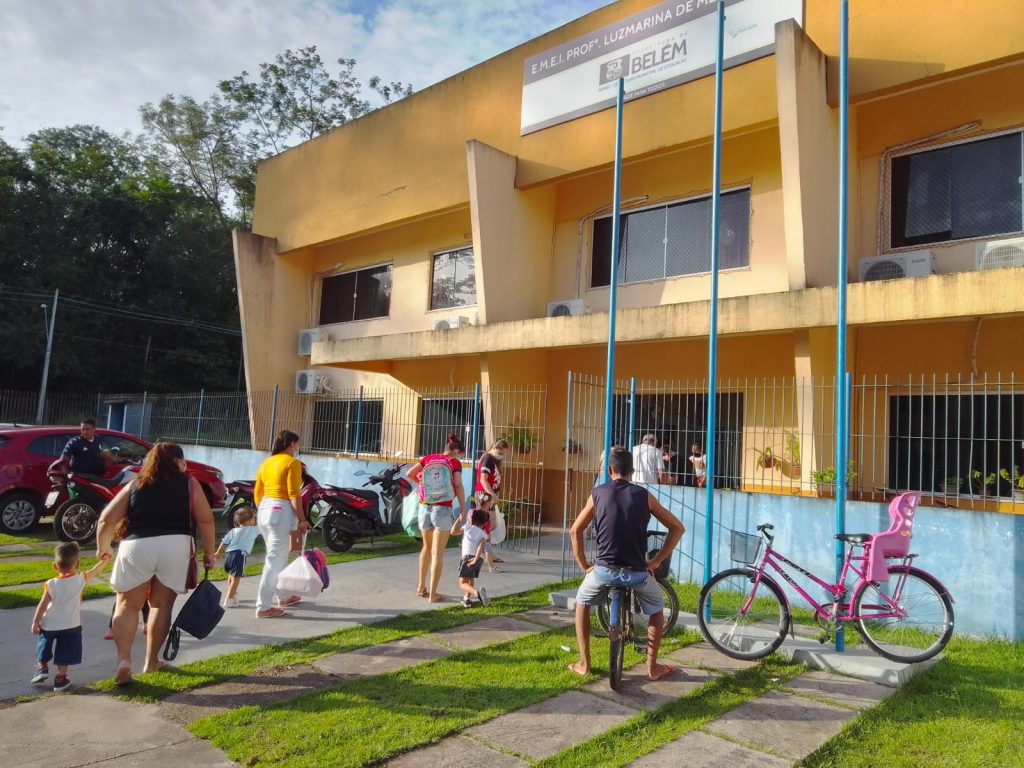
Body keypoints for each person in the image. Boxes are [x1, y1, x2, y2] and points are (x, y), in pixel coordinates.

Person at [96, 442, 216, 685]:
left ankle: (124, 660)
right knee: (161, 606)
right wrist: (210, 553)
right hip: (176, 545)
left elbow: (107, 519)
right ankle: (151, 662)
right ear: (178, 462)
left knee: (128, 605)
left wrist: (103, 547)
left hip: (137, 545)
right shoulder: (190, 484)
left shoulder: (135, 484)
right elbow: (206, 520)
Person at [568, 448, 685, 682]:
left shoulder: (598, 494)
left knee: (582, 603)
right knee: (657, 611)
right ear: (632, 472)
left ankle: (584, 664)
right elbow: (677, 528)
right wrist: (657, 560)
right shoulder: (644, 496)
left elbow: (575, 530)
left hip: (603, 571)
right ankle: (652, 668)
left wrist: (584, 566)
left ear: (609, 471)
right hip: (638, 573)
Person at [31, 542, 110, 691]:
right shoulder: (81, 579)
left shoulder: (51, 584)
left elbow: (42, 604)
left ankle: (42, 667)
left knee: (44, 644)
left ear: (55, 566)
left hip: (49, 624)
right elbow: (96, 570)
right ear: (78, 564)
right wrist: (105, 560)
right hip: (71, 625)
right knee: (65, 650)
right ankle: (60, 679)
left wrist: (36, 621)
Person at [253, 430, 311, 618]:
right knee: (275, 560)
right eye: (297, 444)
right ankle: (263, 607)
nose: (297, 448)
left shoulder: (266, 462)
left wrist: (265, 510)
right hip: (282, 510)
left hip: (265, 509)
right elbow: (294, 494)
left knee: (278, 556)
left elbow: (257, 493)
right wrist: (302, 519)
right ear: (291, 444)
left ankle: (283, 596)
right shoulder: (292, 463)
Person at [407, 432, 467, 603]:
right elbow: (458, 485)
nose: (460, 456)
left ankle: (420, 587)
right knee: (437, 552)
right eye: (460, 452)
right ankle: (433, 594)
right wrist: (463, 508)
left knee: (426, 548)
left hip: (424, 507)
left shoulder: (428, 458)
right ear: (455, 450)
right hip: (442, 508)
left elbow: (409, 474)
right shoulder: (454, 463)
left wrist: (422, 485)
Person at [214, 506, 260, 608]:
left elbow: (224, 542)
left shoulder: (233, 531)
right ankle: (229, 598)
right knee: (236, 578)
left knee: (231, 576)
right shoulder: (253, 530)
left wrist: (217, 553)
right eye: (253, 518)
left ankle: (232, 594)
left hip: (229, 554)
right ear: (248, 521)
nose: (255, 520)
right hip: (239, 555)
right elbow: (264, 526)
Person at [475, 440, 508, 570]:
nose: (501, 455)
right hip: (484, 495)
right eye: (500, 452)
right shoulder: (487, 459)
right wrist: (492, 495)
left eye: (503, 454)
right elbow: (483, 479)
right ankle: (487, 558)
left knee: (490, 525)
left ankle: (485, 552)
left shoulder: (493, 460)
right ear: (494, 448)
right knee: (486, 527)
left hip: (489, 495)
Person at [449, 506, 491, 608]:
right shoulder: (484, 534)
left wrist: (458, 520)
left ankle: (477, 593)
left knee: (462, 583)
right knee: (470, 578)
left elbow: (453, 532)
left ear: (471, 519)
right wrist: (476, 558)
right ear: (485, 523)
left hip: (468, 557)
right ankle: (467, 599)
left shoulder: (467, 527)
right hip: (479, 559)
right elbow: (481, 546)